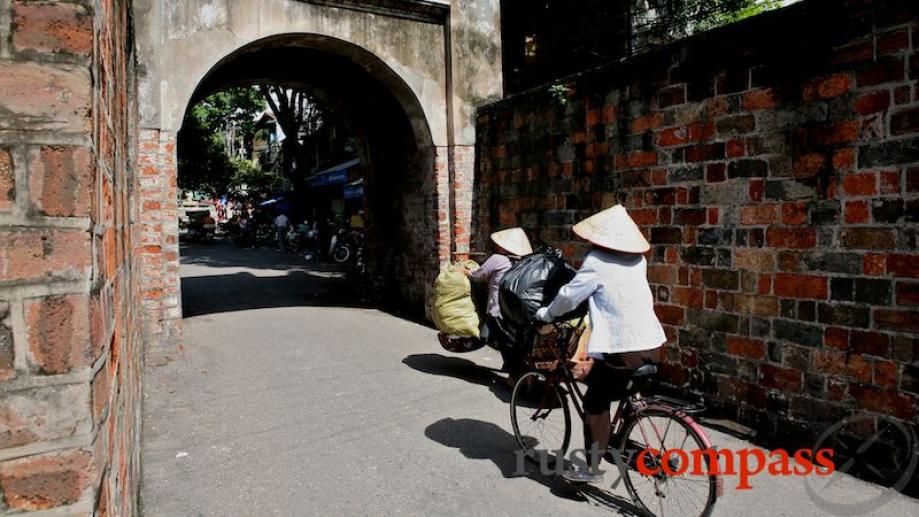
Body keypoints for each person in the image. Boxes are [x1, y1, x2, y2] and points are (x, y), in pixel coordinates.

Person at [535, 204, 666, 484]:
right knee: (623, 393)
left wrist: (546, 314)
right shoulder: (638, 261)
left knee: (596, 399)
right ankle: (627, 445)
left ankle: (590, 469)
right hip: (653, 345)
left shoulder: (596, 261)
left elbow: (569, 296)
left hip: (624, 350)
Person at [465, 227, 533, 379]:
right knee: (509, 342)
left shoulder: (498, 259)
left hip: (498, 310)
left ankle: (516, 376)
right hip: (515, 311)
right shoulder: (523, 261)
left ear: (504, 246)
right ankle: (514, 370)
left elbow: (479, 275)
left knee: (498, 340)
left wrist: (466, 272)